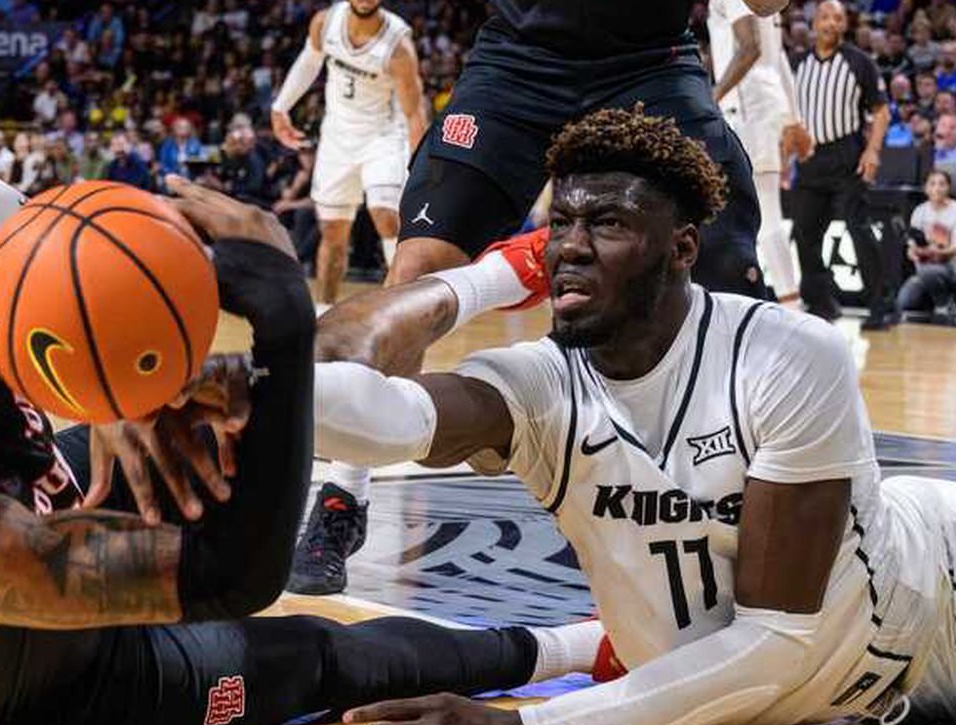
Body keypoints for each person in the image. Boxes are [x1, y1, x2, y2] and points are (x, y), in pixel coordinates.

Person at [302, 108, 956, 725]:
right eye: (561, 226)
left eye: (609, 224)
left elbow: (775, 644)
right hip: (841, 689)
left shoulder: (789, 355)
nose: (573, 247)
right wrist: (250, 391)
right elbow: (370, 406)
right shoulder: (540, 382)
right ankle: (571, 646)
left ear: (682, 248)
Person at [0, 135, 575, 725]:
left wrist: (121, 380)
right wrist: (282, 312)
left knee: (257, 399)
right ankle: (579, 647)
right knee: (318, 656)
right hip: (69, 687)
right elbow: (235, 576)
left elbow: (70, 263)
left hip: (49, 497)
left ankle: (499, 274)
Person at [293, 0, 785, 599]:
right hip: (516, 65)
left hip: (649, 63)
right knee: (418, 264)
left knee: (726, 259)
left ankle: (739, 502)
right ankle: (346, 497)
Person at [270, 0, 427, 306]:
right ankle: (323, 312)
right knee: (332, 232)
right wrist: (280, 108)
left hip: (383, 136)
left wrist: (417, 169)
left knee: (387, 217)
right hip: (338, 138)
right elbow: (309, 61)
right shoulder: (325, 22)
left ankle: (395, 311)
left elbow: (414, 114)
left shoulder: (398, 46)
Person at [790, 0, 891, 328]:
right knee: (804, 232)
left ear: (844, 25)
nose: (830, 22)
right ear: (814, 23)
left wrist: (872, 151)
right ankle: (821, 302)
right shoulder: (796, 63)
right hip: (809, 157)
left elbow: (881, 112)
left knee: (858, 228)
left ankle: (882, 304)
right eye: (824, 17)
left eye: (837, 17)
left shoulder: (859, 62)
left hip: (847, 155)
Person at [708, 0, 801, 300]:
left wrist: (713, 97)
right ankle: (765, 298)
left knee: (765, 217)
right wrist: (793, 120)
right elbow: (780, 59)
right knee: (754, 214)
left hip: (748, 108)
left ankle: (789, 304)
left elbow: (750, 47)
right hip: (767, 105)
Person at [896, 170, 956, 319]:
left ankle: (944, 304)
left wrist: (940, 252)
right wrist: (914, 252)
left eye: (942, 184)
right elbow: (912, 247)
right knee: (903, 302)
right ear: (926, 188)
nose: (937, 188)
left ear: (949, 188)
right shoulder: (919, 211)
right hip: (924, 269)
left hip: (953, 270)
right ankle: (935, 297)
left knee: (930, 271)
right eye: (932, 184)